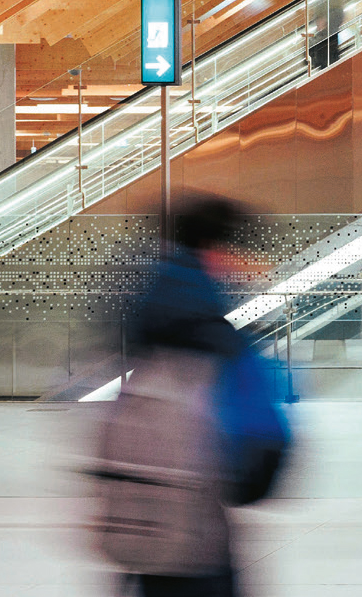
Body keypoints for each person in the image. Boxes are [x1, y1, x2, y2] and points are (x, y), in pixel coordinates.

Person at [95, 195, 287, 597]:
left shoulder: (149, 311)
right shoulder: (216, 337)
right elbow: (260, 459)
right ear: (216, 250)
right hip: (198, 541)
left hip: (138, 532)